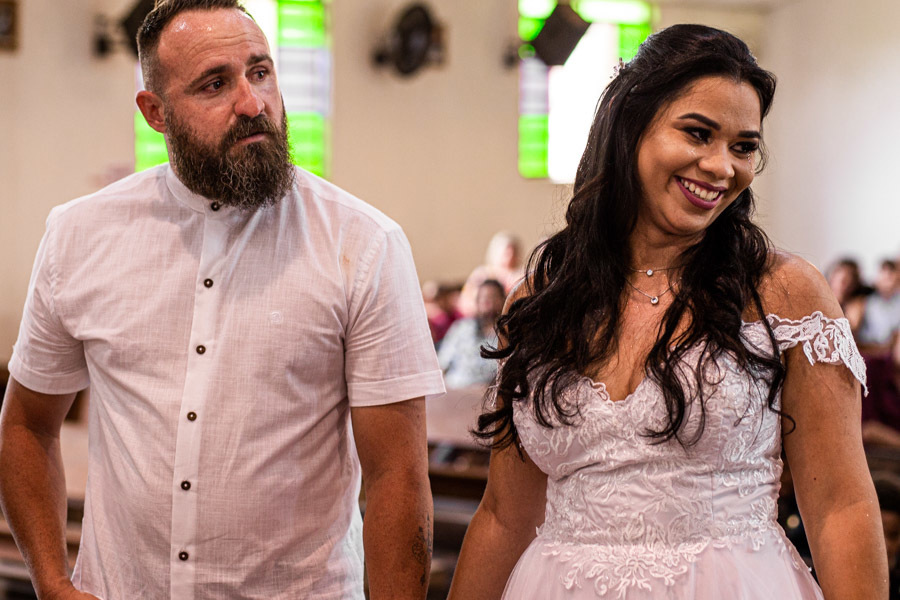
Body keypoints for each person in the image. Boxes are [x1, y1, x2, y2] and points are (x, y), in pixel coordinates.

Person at [0, 2, 444, 599]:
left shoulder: (362, 244)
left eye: (260, 73)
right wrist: (52, 582)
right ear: (155, 113)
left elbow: (397, 478)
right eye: (215, 84)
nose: (251, 102)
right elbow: (27, 425)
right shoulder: (81, 235)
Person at [448, 24, 885, 599]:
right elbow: (505, 515)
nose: (721, 166)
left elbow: (840, 508)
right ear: (631, 127)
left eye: (743, 146)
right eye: (698, 133)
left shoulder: (784, 293)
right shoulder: (544, 299)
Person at [438, 279, 505, 389]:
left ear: (503, 300)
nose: (487, 301)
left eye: (493, 296)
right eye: (483, 298)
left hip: (488, 396)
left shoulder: (508, 334)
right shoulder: (461, 328)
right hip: (455, 392)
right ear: (477, 302)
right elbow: (442, 365)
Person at [458, 231, 525, 317]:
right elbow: (465, 302)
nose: (510, 255)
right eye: (506, 252)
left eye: (513, 251)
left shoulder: (522, 275)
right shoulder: (482, 274)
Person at [856, 259, 900, 349]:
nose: (887, 280)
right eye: (883, 275)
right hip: (868, 350)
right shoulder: (865, 301)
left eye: (890, 276)